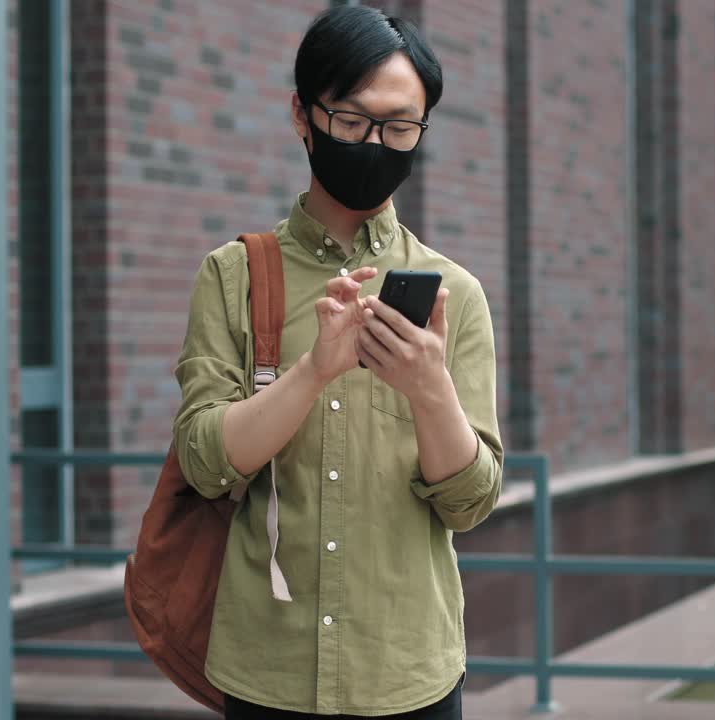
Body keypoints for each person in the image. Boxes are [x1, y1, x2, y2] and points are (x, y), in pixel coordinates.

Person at [171, 6, 502, 719]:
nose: (376, 143)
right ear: (302, 113)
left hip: (408, 671)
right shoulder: (235, 277)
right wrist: (313, 371)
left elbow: (469, 503)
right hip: (267, 670)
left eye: (400, 126)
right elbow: (205, 462)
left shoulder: (456, 294)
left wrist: (429, 389)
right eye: (351, 121)